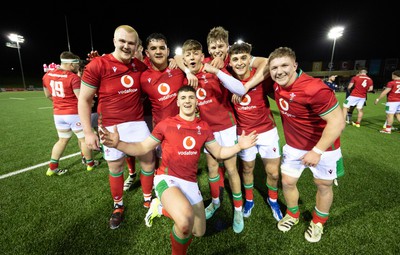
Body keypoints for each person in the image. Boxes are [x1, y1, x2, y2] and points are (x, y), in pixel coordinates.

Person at [99, 85, 258, 255]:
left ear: (197, 102)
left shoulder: (204, 127)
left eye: (191, 97)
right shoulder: (166, 124)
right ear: (178, 102)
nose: (187, 101)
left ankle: (159, 208)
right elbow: (142, 147)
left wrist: (239, 145)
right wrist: (118, 144)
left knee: (198, 231)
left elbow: (219, 152)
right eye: (183, 98)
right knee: (184, 223)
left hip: (190, 182)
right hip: (167, 178)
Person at [78, 25, 155, 229]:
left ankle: (148, 199)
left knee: (148, 162)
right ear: (114, 41)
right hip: (111, 126)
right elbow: (84, 100)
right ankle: (118, 205)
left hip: (138, 123)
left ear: (136, 45)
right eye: (122, 41)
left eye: (131, 43)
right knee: (115, 167)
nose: (126, 46)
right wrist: (88, 132)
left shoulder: (139, 66)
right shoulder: (98, 65)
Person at [267, 47, 345, 243]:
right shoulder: (276, 85)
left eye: (284, 65)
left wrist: (317, 151)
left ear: (295, 65)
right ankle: (293, 215)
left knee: (323, 185)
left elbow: (337, 122)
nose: (279, 71)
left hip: (325, 148)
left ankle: (318, 222)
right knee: (287, 182)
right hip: (294, 147)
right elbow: (257, 62)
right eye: (274, 67)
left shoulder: (314, 88)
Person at [179, 39, 248, 233]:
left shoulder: (214, 70)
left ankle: (237, 209)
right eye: (188, 55)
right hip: (205, 129)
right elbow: (173, 58)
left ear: (203, 56)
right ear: (184, 59)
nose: (192, 57)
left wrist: (216, 72)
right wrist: (185, 71)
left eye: (196, 53)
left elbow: (240, 89)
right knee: (211, 168)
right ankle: (216, 203)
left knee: (231, 169)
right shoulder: (185, 76)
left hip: (225, 126)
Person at [228, 42, 283, 221]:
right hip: (244, 133)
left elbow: (268, 62)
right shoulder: (227, 79)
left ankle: (272, 199)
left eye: (244, 58)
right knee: (247, 169)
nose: (239, 62)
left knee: (273, 173)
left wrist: (246, 86)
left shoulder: (260, 76)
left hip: (267, 131)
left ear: (249, 59)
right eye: (235, 59)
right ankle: (249, 200)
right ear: (230, 62)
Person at [42, 51, 97, 176]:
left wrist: (60, 103)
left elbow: (48, 95)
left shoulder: (47, 75)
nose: (78, 67)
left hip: (58, 113)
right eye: (77, 65)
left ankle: (52, 167)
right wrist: (92, 103)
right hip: (73, 113)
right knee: (83, 140)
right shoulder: (73, 78)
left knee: (62, 140)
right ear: (71, 65)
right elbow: (81, 98)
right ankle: (90, 164)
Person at [140, 33, 186, 167]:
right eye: (153, 48)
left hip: (184, 126)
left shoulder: (179, 69)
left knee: (185, 163)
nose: (158, 51)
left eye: (162, 47)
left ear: (168, 51)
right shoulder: (143, 78)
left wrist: (178, 60)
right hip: (162, 129)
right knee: (163, 163)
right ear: (147, 53)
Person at [374, 70, 400, 134]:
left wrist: (378, 99)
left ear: (394, 75)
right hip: (399, 101)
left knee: (389, 115)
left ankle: (388, 130)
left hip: (392, 101)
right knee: (397, 115)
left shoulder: (391, 83)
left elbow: (385, 92)